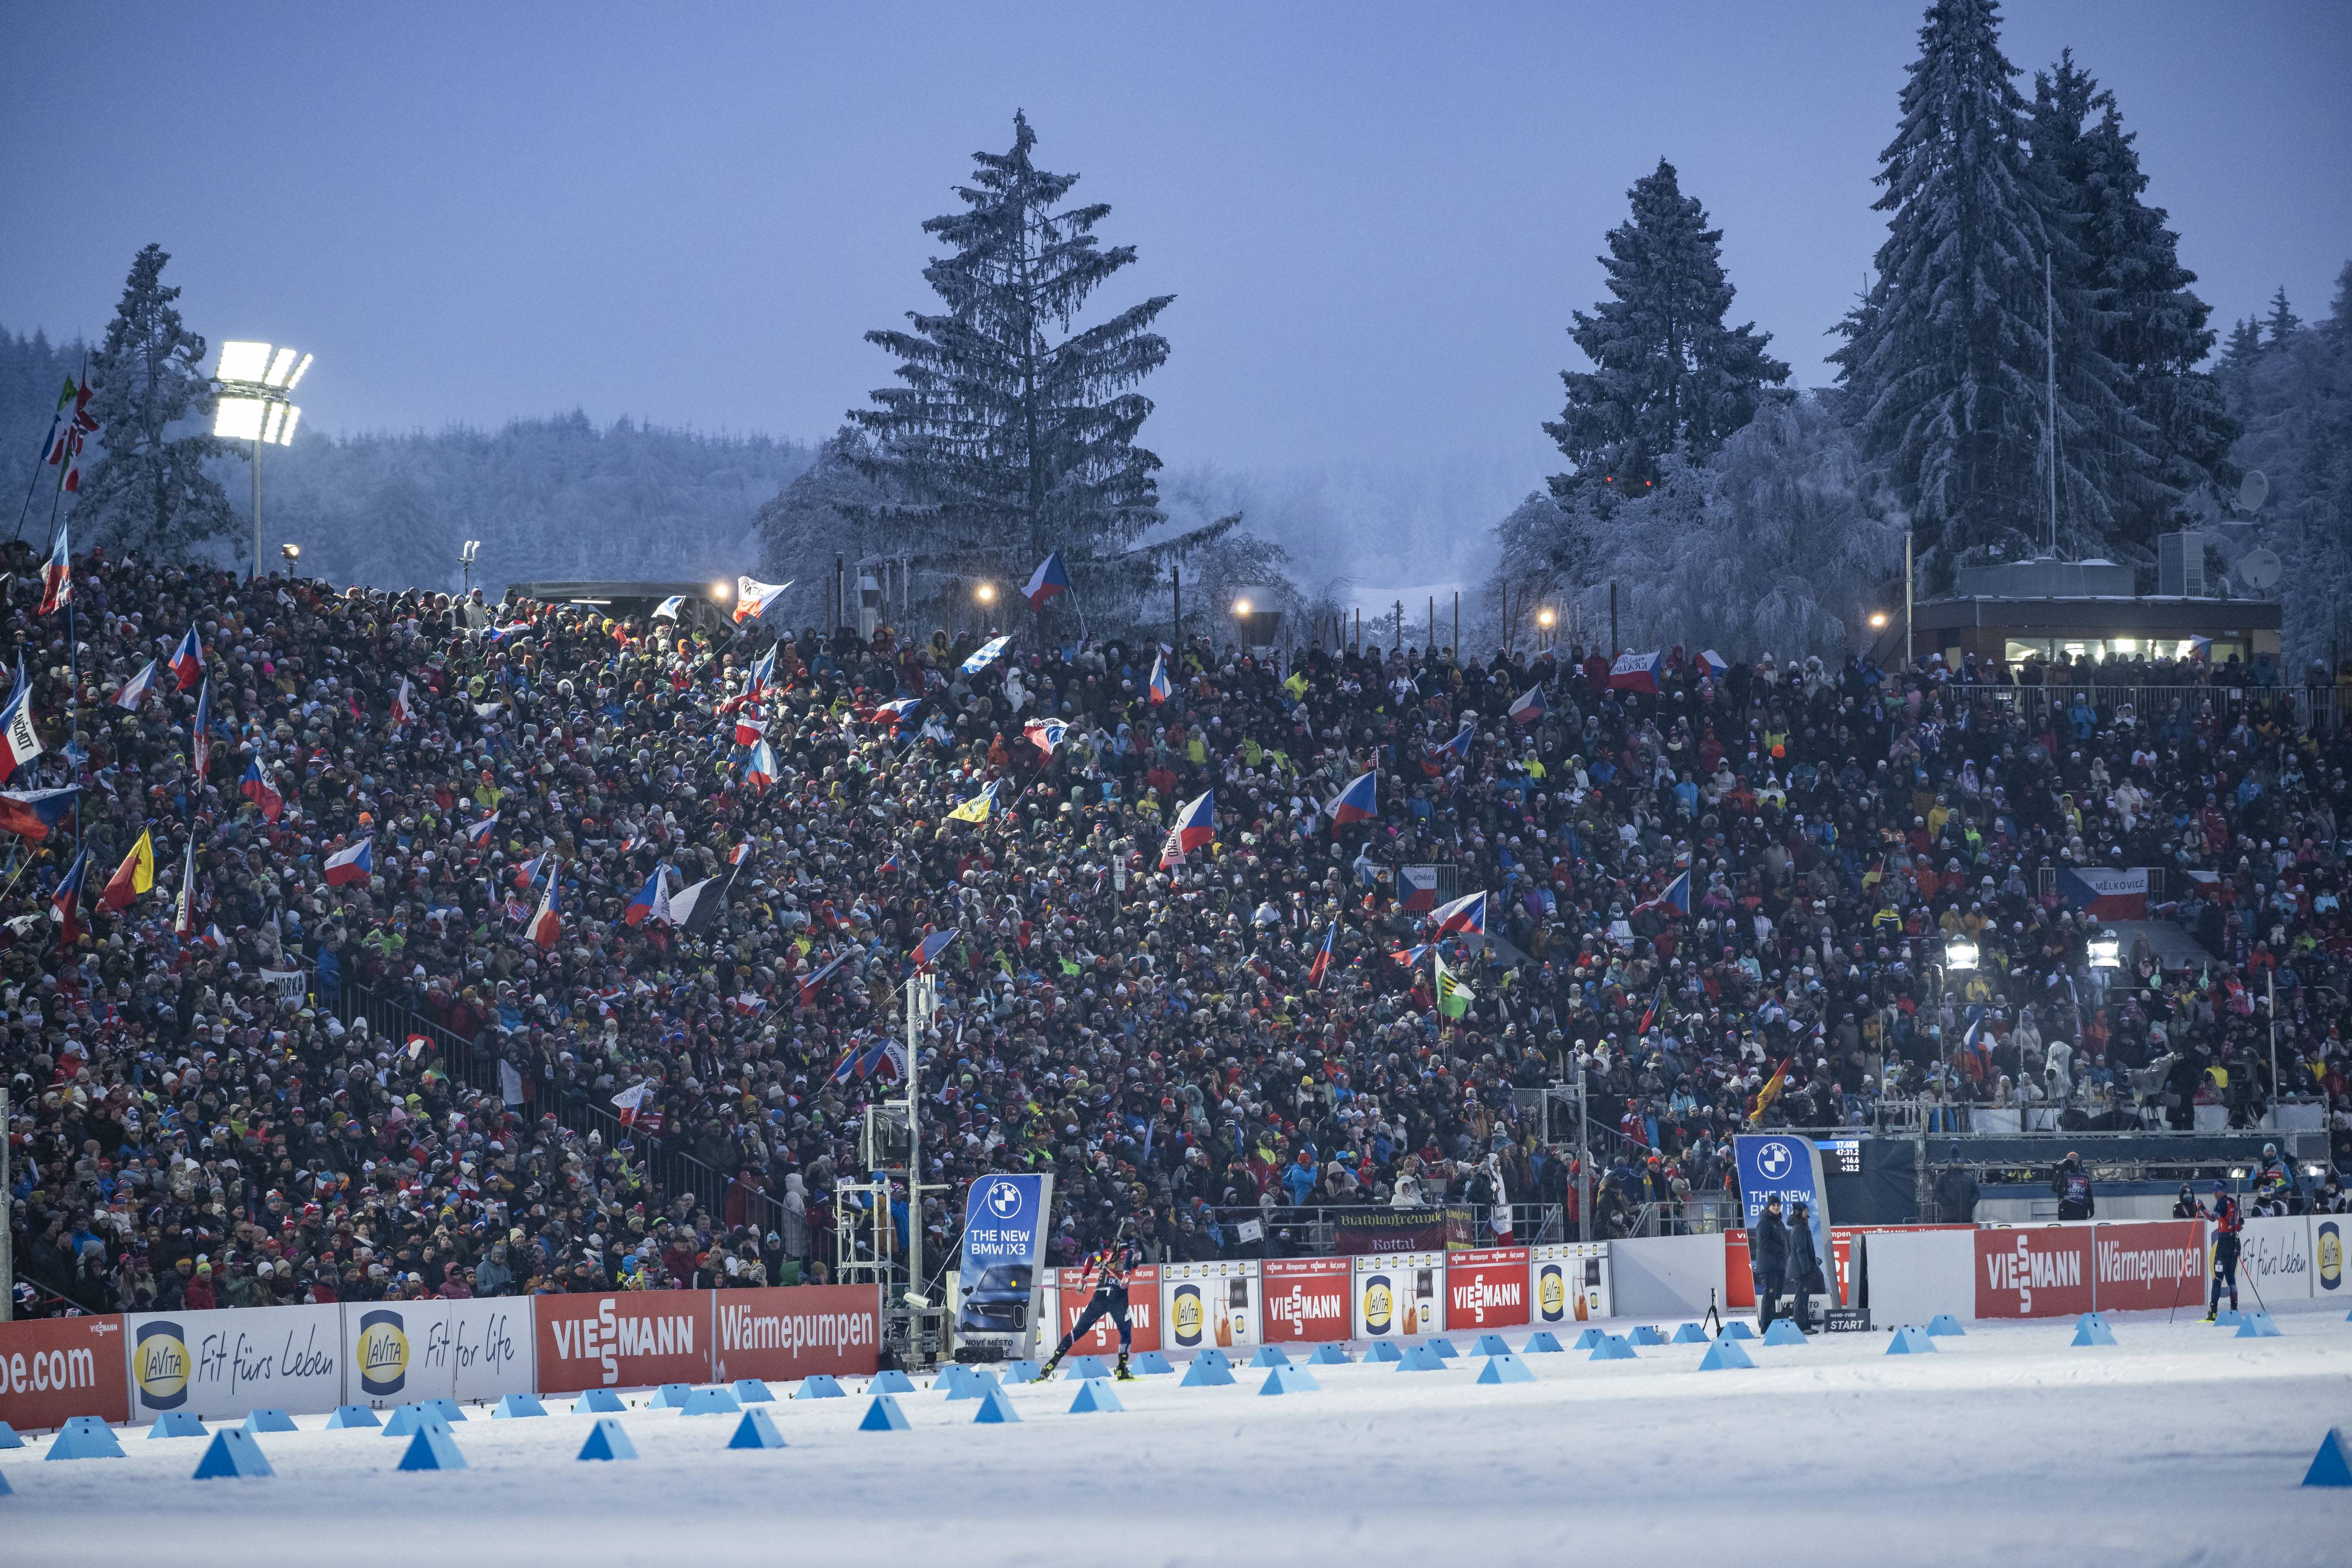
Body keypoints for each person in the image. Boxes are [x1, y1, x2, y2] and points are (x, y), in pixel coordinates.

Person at [1035, 1218, 1146, 1381]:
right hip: (1118, 1296)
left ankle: (1052, 1363)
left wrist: (1084, 1279)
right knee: (1126, 1330)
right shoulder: (1130, 1250)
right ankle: (1122, 1368)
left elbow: (1092, 1258)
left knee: (1078, 1330)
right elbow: (1130, 1258)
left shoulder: (1107, 1253)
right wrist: (1127, 1273)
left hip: (1100, 1294)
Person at [2201, 1181, 2243, 1321]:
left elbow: (2212, 1217)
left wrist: (2201, 1208)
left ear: (2220, 1191)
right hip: (2234, 1244)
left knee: (2218, 1277)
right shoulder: (2233, 1202)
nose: (2213, 1193)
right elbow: (2240, 1221)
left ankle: (2213, 1312)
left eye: (2214, 1191)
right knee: (2231, 1277)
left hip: (2224, 1244)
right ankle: (2234, 1309)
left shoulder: (2222, 1203)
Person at [1751, 1193, 1789, 1332]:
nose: (1777, 1207)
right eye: (1774, 1205)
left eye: (1778, 1205)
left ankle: (1772, 1325)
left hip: (1778, 1267)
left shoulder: (1779, 1224)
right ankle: (1766, 1327)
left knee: (1776, 1297)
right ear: (1768, 1207)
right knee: (1769, 1296)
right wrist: (1780, 1249)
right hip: (1768, 1268)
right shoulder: (1764, 1223)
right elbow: (1763, 1242)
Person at [1785, 1199, 1820, 1333]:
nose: (1808, 1211)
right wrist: (1806, 1269)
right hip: (1800, 1270)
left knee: (1803, 1296)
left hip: (1801, 1268)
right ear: (1800, 1212)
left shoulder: (1802, 1226)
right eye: (1805, 1210)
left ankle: (1804, 1324)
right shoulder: (1799, 1228)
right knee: (1801, 1297)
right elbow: (1801, 1251)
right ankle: (1801, 1326)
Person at [1933, 1144, 1979, 1223]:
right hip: (1948, 1218)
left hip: (1966, 1218)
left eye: (1960, 1163)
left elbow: (1976, 1193)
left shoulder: (1969, 1177)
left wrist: (1970, 1204)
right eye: (1956, 1163)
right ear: (1951, 1163)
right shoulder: (1943, 1177)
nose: (1958, 1164)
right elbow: (1936, 1192)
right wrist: (1946, 1203)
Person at [2050, 1151, 2094, 1221]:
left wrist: (2091, 1207)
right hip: (2066, 1208)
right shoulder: (2063, 1172)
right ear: (2067, 1160)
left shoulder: (2084, 1172)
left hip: (2081, 1209)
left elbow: (2088, 1192)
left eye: (2075, 1158)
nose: (2073, 1160)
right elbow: (2054, 1188)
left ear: (2078, 1160)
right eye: (2071, 1158)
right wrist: (2060, 1172)